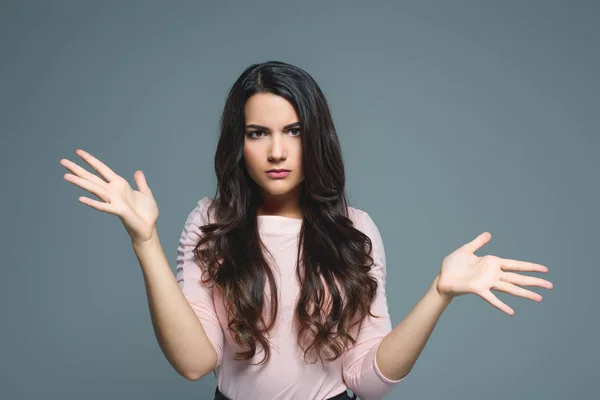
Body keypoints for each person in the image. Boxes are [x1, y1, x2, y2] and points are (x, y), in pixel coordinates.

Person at [59, 61, 553, 400]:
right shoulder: (210, 223)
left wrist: (438, 294)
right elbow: (194, 363)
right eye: (258, 133)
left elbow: (367, 380)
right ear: (239, 143)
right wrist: (144, 241)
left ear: (315, 137)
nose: (277, 151)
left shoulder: (355, 232)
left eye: (293, 130)